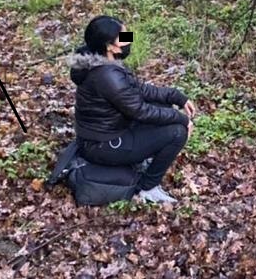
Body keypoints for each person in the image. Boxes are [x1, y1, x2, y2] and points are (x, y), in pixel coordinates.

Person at [67, 16, 195, 204]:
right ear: (109, 46)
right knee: (177, 132)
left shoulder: (102, 60)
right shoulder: (107, 75)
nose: (129, 38)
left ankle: (140, 161)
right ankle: (147, 187)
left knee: (163, 108)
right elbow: (141, 111)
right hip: (102, 145)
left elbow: (140, 90)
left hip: (104, 132)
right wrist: (182, 120)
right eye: (124, 36)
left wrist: (176, 97)